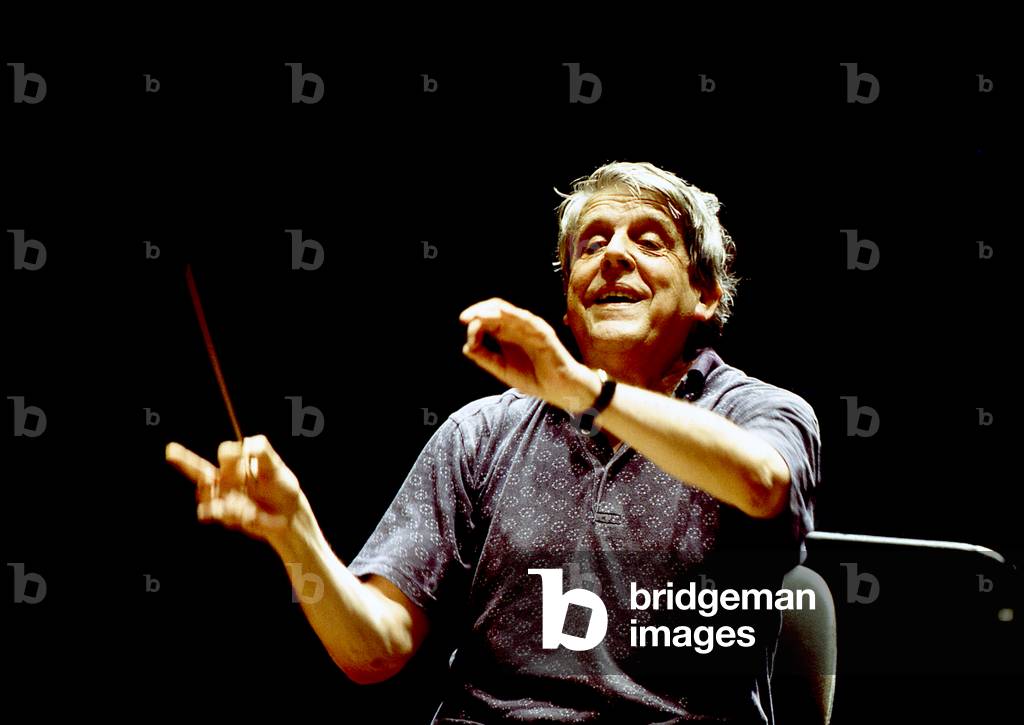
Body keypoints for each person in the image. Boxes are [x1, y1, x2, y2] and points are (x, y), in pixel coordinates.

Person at [166, 161, 821, 723]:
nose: (614, 255)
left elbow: (760, 483)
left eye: (649, 241)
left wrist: (582, 389)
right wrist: (295, 531)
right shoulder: (482, 433)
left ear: (706, 293)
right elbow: (374, 651)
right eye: (591, 245)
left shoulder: (760, 411)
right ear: (569, 303)